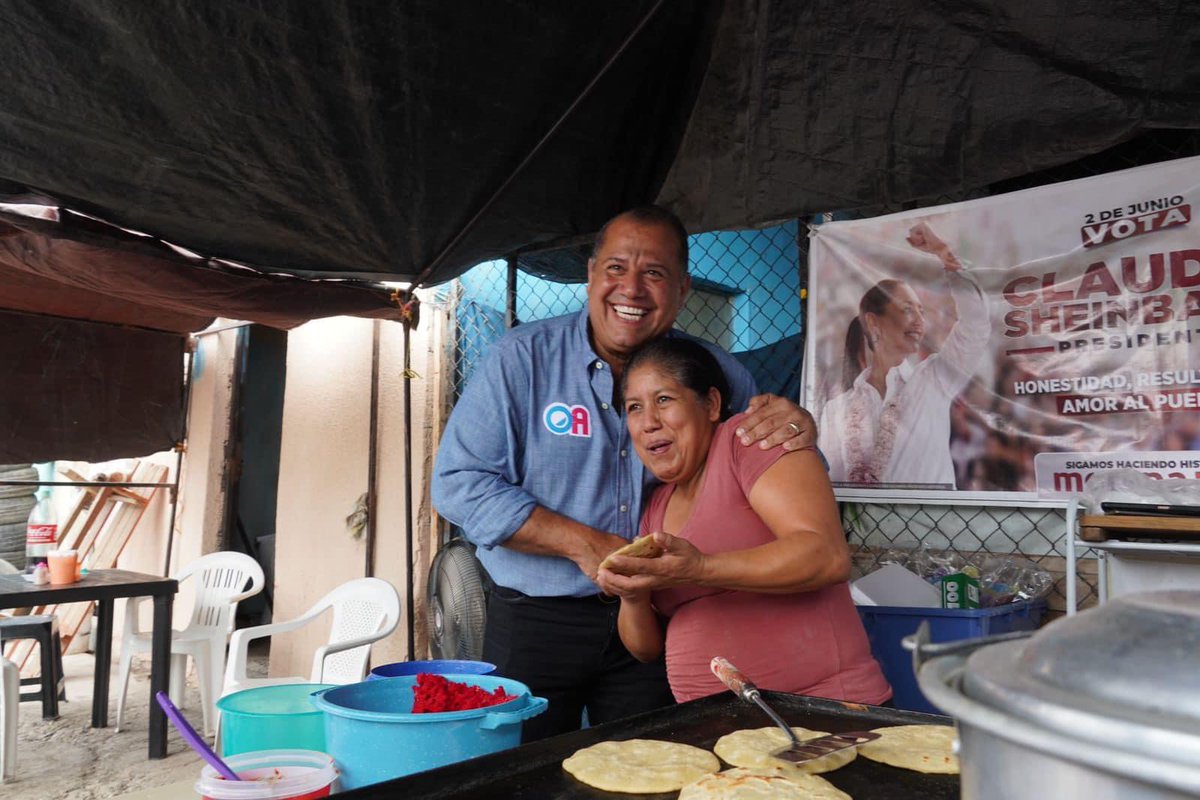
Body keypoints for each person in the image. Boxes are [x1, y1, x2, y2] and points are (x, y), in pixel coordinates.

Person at [431, 205, 818, 741]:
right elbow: (458, 483)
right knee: (523, 773)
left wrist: (796, 425)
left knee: (652, 767)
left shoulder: (716, 373)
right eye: (616, 268)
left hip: (660, 620)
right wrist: (583, 544)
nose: (631, 289)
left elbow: (764, 454)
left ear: (682, 290)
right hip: (535, 621)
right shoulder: (519, 359)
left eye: (653, 273)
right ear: (591, 276)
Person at [597, 338, 891, 704]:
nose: (649, 422)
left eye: (664, 400)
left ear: (712, 404)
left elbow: (826, 555)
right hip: (720, 727)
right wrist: (633, 596)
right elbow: (645, 649)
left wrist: (700, 568)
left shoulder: (750, 440)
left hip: (823, 708)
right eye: (634, 407)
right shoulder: (655, 507)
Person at [818, 222, 991, 487]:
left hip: (932, 527)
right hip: (863, 528)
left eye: (922, 311)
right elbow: (831, 485)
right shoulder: (836, 410)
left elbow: (976, 323)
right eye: (908, 309)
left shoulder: (935, 379)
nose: (920, 321)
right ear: (874, 323)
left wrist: (944, 253)